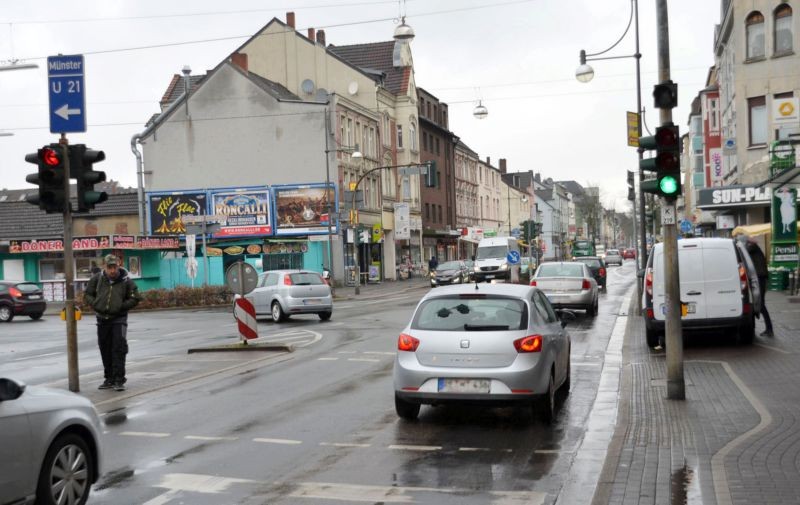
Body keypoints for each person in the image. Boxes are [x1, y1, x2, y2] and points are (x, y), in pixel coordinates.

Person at [84, 254, 141, 391]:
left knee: (118, 349)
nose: (112, 270)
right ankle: (109, 378)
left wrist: (121, 306)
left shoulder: (126, 280)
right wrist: (96, 305)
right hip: (102, 319)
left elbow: (136, 297)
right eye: (109, 267)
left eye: (114, 267)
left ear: (118, 266)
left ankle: (119, 380)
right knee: (105, 349)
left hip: (119, 320)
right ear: (105, 266)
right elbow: (87, 294)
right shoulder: (97, 279)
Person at [742, 235, 774, 337]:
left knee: (761, 304)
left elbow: (745, 250)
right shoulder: (754, 248)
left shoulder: (753, 248)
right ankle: (768, 329)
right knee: (759, 304)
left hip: (760, 278)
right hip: (760, 278)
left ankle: (769, 329)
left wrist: (744, 241)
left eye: (747, 242)